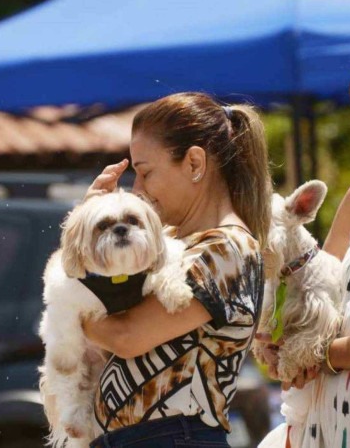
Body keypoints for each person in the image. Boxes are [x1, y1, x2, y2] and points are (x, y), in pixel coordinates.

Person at [81, 92, 272, 447]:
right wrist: (90, 228)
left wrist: (72, 312)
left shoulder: (226, 248)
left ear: (195, 163)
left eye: (145, 173)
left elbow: (125, 337)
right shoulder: (176, 244)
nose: (137, 190)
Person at [257, 52, 350, 448]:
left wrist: (315, 353)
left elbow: (319, 344)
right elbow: (314, 289)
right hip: (321, 430)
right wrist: (277, 346)